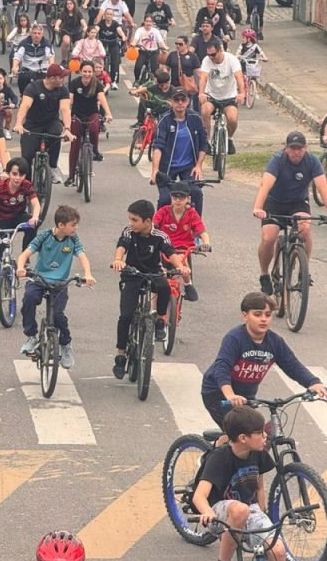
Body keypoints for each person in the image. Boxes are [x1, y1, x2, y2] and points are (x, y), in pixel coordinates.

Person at [193, 407, 286, 561]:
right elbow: (199, 496)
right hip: (220, 512)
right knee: (240, 510)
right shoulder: (220, 457)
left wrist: (261, 512)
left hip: (248, 509)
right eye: (260, 433)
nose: (265, 436)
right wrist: (207, 512)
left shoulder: (258, 453)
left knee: (278, 552)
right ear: (243, 438)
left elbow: (259, 486)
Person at [201, 292, 327, 430]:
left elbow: (292, 365)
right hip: (219, 395)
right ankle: (219, 449)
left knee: (261, 435)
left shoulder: (274, 342)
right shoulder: (235, 338)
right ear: (245, 316)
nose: (263, 319)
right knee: (240, 435)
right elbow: (222, 367)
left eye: (267, 315)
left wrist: (313, 382)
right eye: (257, 314)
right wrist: (230, 395)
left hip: (246, 397)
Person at [111, 199, 188, 374]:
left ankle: (161, 319)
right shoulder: (129, 231)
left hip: (153, 272)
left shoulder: (160, 236)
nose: (131, 223)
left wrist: (181, 266)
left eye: (134, 220)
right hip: (132, 274)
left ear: (147, 221)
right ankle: (121, 354)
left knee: (164, 287)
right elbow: (122, 246)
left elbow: (171, 252)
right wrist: (118, 260)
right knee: (125, 316)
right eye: (130, 219)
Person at [16, 205, 96, 370]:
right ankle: (31, 336)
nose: (76, 228)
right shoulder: (44, 236)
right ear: (61, 225)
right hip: (39, 279)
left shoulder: (73, 239)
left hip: (60, 284)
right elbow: (24, 254)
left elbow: (83, 257)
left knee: (59, 315)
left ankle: (65, 345)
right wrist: (21, 267)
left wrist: (87, 274)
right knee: (29, 300)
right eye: (73, 225)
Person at [252, 130, 327, 294]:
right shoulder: (277, 160)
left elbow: (323, 187)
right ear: (286, 148)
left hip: (298, 203)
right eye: (292, 148)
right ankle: (264, 274)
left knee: (305, 229)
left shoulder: (312, 161)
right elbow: (265, 185)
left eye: (299, 148)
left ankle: (304, 271)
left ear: (305, 148)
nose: (296, 152)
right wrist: (258, 207)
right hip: (274, 202)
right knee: (268, 237)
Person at [0, 157, 39, 303]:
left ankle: (26, 256)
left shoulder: (26, 186)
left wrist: (34, 217)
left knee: (33, 225)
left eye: (21, 175)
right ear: (9, 173)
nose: (18, 178)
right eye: (15, 174)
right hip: (0, 222)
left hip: (18, 217)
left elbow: (35, 203)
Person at [151, 87, 208, 214]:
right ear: (171, 102)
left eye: (183, 99)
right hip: (167, 168)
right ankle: (158, 230)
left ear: (188, 101)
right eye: (177, 100)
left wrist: (198, 166)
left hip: (188, 167)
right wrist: (155, 171)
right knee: (165, 199)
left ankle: (197, 230)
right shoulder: (164, 120)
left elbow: (204, 144)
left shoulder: (195, 118)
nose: (180, 103)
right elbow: (158, 146)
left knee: (197, 193)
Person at [14, 64, 73, 186]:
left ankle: (52, 167)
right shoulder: (33, 87)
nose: (64, 79)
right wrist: (19, 123)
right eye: (61, 77)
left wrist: (67, 129)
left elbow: (65, 109)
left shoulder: (62, 89)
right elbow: (25, 105)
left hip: (51, 122)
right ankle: (26, 185)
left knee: (57, 134)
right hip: (32, 124)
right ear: (53, 78)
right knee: (26, 157)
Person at [153, 184, 210, 301]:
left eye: (182, 197)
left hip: (183, 248)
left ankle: (188, 284)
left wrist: (206, 243)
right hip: (165, 245)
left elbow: (202, 231)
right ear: (170, 198)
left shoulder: (192, 214)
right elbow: (153, 226)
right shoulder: (163, 211)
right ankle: (153, 308)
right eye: (175, 197)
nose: (178, 200)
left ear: (188, 199)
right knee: (158, 275)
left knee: (183, 262)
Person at [66, 60, 113, 183]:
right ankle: (71, 176)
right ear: (80, 71)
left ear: (93, 72)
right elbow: (69, 101)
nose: (87, 74)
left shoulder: (97, 84)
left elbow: (102, 99)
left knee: (94, 129)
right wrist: (66, 114)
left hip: (92, 113)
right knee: (75, 143)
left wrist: (108, 114)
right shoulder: (74, 83)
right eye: (85, 71)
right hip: (77, 115)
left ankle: (95, 151)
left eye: (89, 72)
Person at [197, 36, 244, 154]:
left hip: (229, 96)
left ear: (220, 50)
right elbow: (203, 78)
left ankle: (229, 139)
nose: (211, 58)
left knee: (232, 118)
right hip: (212, 95)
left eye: (213, 54)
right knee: (204, 111)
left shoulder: (232, 60)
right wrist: (201, 93)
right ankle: (207, 140)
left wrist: (242, 93)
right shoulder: (206, 61)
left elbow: (239, 77)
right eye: (209, 55)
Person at [11, 22, 55, 95]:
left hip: (41, 71)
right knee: (22, 79)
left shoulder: (47, 44)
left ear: (42, 35)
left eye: (39, 33)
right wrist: (14, 67)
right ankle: (23, 96)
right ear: (31, 34)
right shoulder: (24, 43)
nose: (36, 35)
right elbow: (17, 57)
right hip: (27, 71)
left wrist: (51, 66)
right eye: (34, 33)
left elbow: (50, 56)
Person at [95, 8, 128, 89]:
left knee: (115, 62)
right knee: (99, 61)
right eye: (107, 14)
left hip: (113, 43)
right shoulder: (101, 23)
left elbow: (119, 31)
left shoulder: (115, 24)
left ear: (113, 16)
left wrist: (123, 36)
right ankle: (97, 77)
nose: (108, 16)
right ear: (104, 15)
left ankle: (113, 81)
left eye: (110, 14)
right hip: (102, 43)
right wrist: (93, 33)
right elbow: (96, 29)